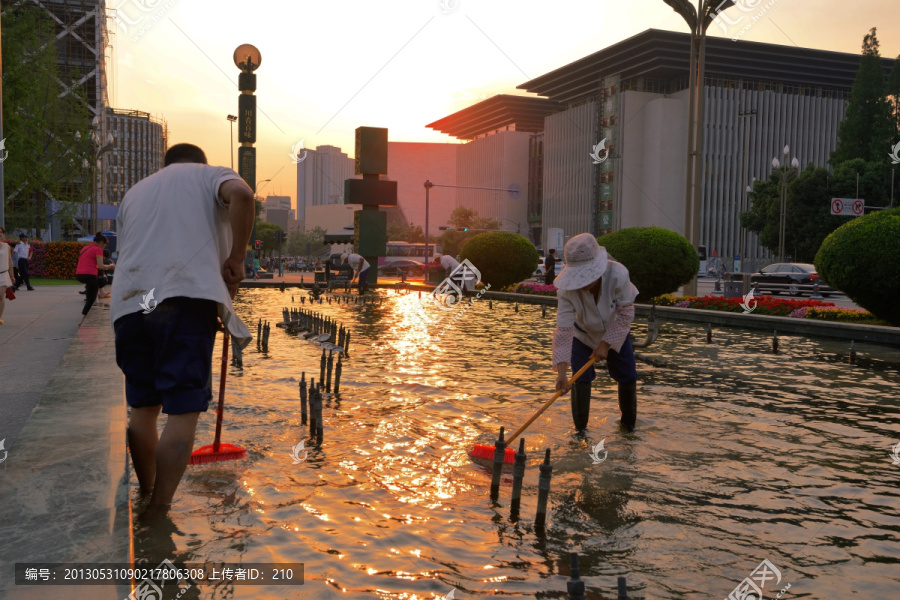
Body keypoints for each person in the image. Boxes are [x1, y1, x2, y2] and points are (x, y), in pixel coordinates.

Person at [110, 142, 255, 516]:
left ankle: (147, 490)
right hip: (184, 299)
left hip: (130, 303)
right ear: (199, 162)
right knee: (182, 411)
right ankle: (159, 509)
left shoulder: (135, 192)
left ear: (165, 164)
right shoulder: (211, 176)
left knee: (142, 408)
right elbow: (241, 194)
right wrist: (237, 257)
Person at [551, 233, 639, 432]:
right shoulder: (565, 291)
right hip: (582, 335)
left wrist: (606, 344)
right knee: (579, 378)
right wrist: (562, 374)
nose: (584, 283)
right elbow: (564, 331)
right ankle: (580, 433)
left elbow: (626, 314)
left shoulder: (618, 274)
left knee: (628, 375)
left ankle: (628, 428)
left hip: (615, 329)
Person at [75, 233, 115, 325]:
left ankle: (101, 292)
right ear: (101, 242)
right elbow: (101, 266)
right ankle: (82, 320)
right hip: (89, 275)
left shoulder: (85, 248)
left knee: (94, 287)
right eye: (104, 245)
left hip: (79, 275)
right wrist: (111, 266)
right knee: (91, 299)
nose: (103, 248)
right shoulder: (98, 249)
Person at [0, 227, 14, 325]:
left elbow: (9, 261)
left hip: (3, 274)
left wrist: (12, 275)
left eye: (1, 232)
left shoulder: (6, 246)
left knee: (1, 296)